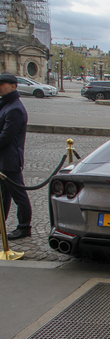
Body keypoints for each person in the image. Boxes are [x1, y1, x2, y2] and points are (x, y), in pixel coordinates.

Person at [0, 73, 32, 240]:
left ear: (13, 86)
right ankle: (1, 223)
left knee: (19, 195)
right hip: (4, 160)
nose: (0, 87)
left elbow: (5, 137)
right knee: (3, 195)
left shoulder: (15, 109)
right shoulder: (6, 105)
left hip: (10, 160)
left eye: (3, 84)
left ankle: (24, 227)